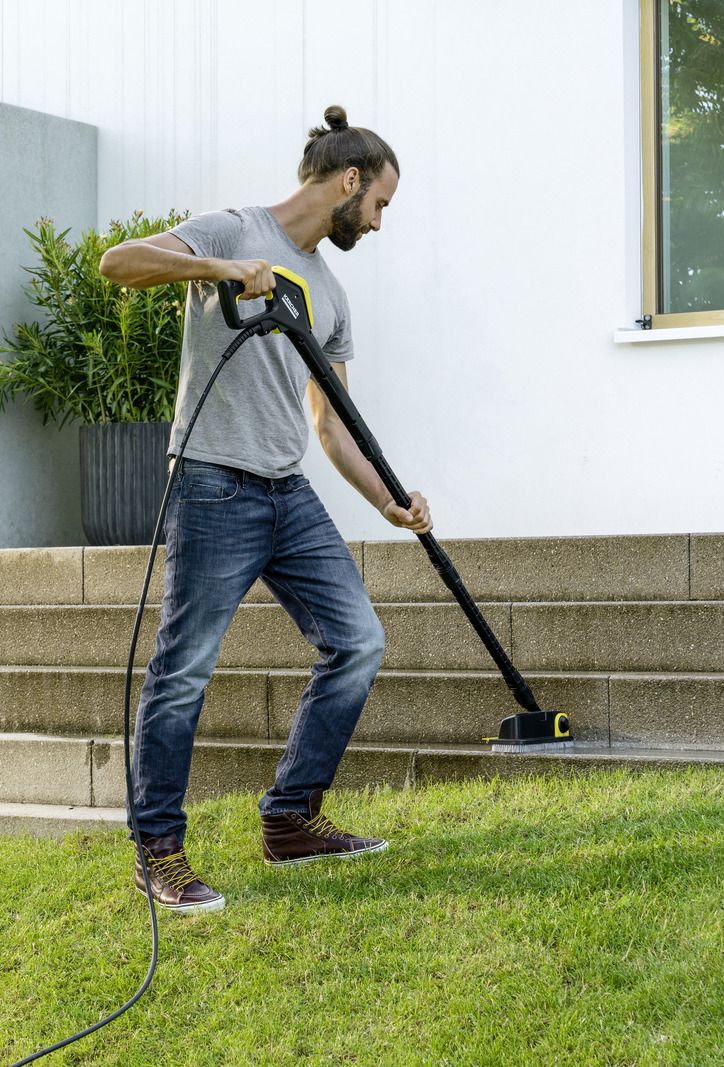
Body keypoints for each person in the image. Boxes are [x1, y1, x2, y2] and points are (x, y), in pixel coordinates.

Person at [97, 105, 430, 915]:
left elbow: (331, 423)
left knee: (358, 641)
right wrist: (216, 268)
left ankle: (289, 819)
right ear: (349, 181)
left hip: (287, 492)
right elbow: (118, 263)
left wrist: (390, 501)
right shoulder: (233, 227)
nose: (380, 223)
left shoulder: (332, 293)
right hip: (212, 482)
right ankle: (159, 854)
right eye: (380, 203)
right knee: (184, 672)